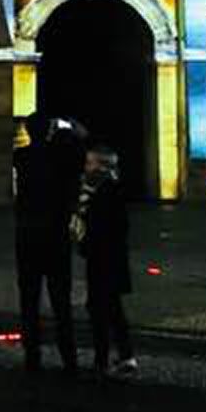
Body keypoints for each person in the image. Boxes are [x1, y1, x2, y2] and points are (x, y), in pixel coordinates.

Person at [13, 112, 85, 375]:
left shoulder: (22, 157)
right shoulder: (61, 158)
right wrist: (68, 126)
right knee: (61, 301)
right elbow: (81, 140)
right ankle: (69, 358)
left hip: (27, 236)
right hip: (55, 237)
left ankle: (32, 355)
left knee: (29, 300)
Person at [72, 144, 136, 378]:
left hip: (104, 258)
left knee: (100, 309)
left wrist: (87, 241)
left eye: (90, 163)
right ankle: (125, 355)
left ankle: (102, 360)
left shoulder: (105, 189)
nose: (86, 167)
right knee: (112, 308)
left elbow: (109, 225)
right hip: (107, 258)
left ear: (101, 165)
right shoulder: (99, 187)